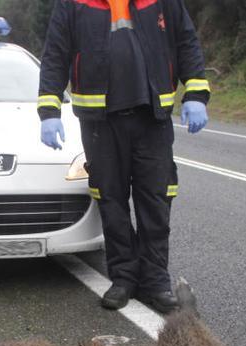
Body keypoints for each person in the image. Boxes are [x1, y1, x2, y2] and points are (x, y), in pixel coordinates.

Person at [38, 0, 210, 313]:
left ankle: (156, 282)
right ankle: (123, 278)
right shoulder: (72, 4)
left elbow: (186, 41)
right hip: (99, 122)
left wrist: (196, 93)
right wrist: (49, 110)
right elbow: (55, 54)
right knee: (111, 202)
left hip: (152, 117)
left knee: (156, 201)